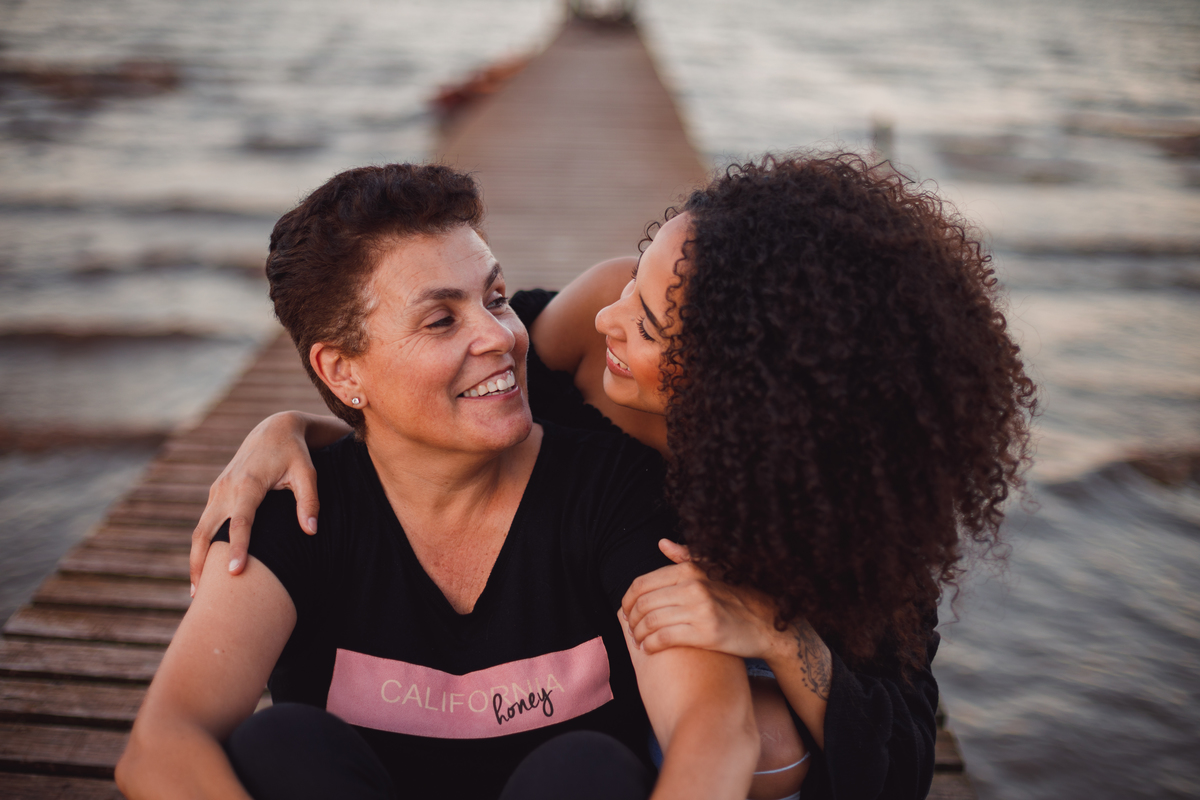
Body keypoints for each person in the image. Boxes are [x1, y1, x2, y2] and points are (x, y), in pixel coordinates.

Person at [190, 154, 1036, 800]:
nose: (608, 313)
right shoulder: (592, 342)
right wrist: (292, 427)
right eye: (637, 274)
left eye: (650, 320)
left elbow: (901, 758)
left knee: (771, 736)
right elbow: (440, 380)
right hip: (580, 613)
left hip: (695, 663)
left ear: (746, 380)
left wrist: (781, 634)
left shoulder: (850, 511)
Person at [116, 163, 761, 800]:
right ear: (342, 372)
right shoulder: (297, 511)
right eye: (440, 320)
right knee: (277, 745)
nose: (501, 336)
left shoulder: (615, 490)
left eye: (496, 298)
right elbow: (163, 743)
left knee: (584, 769)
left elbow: (712, 728)